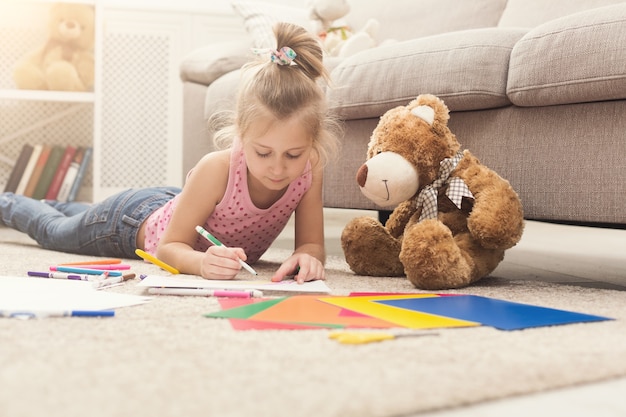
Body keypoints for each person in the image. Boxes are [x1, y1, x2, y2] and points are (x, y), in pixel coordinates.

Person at [0, 22, 340, 284]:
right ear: (240, 133)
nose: (278, 168)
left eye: (293, 155)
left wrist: (309, 257)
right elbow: (169, 248)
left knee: (77, 216)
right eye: (263, 153)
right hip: (131, 223)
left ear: (312, 144)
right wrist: (200, 263)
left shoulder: (311, 166)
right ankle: (8, 202)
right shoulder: (217, 168)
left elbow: (311, 245)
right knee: (55, 232)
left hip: (175, 203)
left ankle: (67, 208)